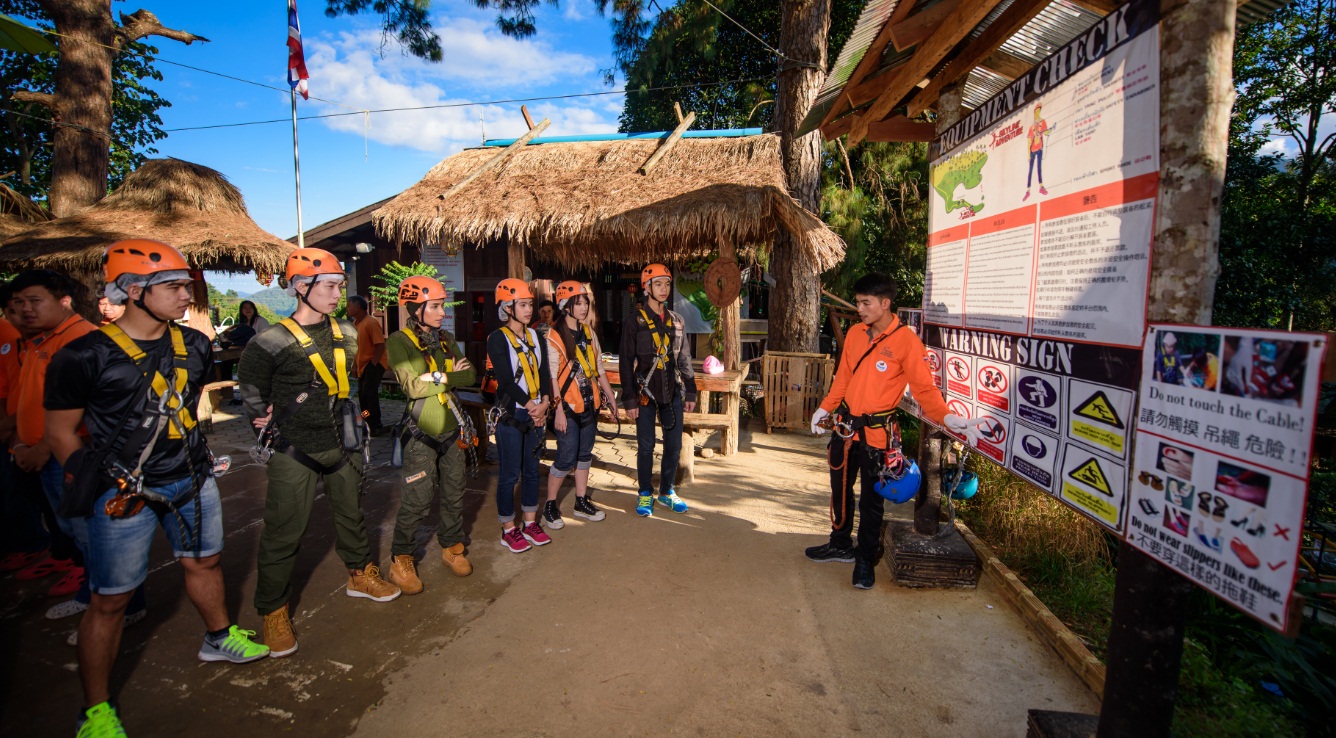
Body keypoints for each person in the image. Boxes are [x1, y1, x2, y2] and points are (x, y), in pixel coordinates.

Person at [46, 240, 269, 737]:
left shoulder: (194, 344)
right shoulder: (84, 355)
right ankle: (96, 709)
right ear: (131, 291)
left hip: (191, 478)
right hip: (122, 491)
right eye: (171, 287)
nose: (185, 295)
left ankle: (216, 637)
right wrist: (103, 481)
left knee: (205, 562)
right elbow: (60, 433)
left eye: (185, 286)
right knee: (111, 599)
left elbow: (185, 411)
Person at [238, 247, 399, 659]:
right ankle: (273, 610)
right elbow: (251, 391)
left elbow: (350, 384)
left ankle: (360, 575)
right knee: (283, 532)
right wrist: (261, 417)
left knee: (353, 516)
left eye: (341, 286)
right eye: (329, 286)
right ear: (299, 286)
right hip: (294, 451)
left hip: (343, 445)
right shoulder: (269, 342)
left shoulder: (346, 332)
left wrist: (360, 420)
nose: (337, 294)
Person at [807, 273, 985, 590]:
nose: (859, 308)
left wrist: (948, 418)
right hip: (845, 430)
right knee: (840, 490)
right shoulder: (855, 334)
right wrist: (825, 408)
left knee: (872, 503)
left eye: (866, 303)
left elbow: (925, 391)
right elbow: (843, 377)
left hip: (877, 437)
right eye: (859, 302)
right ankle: (839, 543)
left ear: (885, 303)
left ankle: (864, 561)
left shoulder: (907, 343)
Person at [384, 276, 477, 593]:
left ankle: (452, 547)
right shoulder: (399, 341)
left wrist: (437, 375)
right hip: (421, 431)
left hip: (452, 429)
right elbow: (412, 386)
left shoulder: (446, 338)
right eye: (436, 306)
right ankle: (401, 558)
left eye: (442, 306)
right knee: (417, 500)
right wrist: (451, 375)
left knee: (454, 492)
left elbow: (471, 374)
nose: (442, 313)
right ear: (416, 307)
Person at [619, 264, 695, 517]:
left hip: (672, 390)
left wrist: (691, 391)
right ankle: (644, 493)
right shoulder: (634, 322)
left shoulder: (677, 321)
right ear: (647, 288)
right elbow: (626, 361)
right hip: (644, 393)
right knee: (646, 446)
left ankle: (666, 491)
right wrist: (628, 399)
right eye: (658, 284)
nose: (664, 289)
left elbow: (684, 358)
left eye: (667, 284)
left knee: (674, 446)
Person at [543, 281, 616, 528]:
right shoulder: (554, 336)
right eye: (578, 303)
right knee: (565, 457)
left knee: (584, 455)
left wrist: (611, 397)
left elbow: (600, 370)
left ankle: (580, 500)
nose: (583, 307)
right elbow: (552, 377)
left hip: (589, 404)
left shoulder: (589, 333)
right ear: (565, 305)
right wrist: (559, 411)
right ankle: (550, 504)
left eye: (586, 302)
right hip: (568, 407)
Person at [487, 278, 552, 553]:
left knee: (532, 472)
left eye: (530, 304)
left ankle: (529, 522)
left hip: (537, 413)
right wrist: (532, 406)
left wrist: (546, 402)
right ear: (507, 307)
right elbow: (505, 380)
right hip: (513, 415)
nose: (529, 310)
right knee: (510, 474)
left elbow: (545, 372)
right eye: (523, 305)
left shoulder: (536, 336)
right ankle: (508, 528)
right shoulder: (497, 338)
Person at [347, 295, 388, 435]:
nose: (347, 308)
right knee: (362, 396)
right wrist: (354, 366)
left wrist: (374, 363)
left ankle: (376, 425)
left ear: (358, 307)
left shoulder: (371, 322)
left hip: (373, 363)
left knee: (370, 394)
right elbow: (356, 349)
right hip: (362, 364)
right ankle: (366, 421)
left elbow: (380, 344)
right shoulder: (355, 325)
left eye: (349, 305)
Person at [1023, 103, 1053, 201]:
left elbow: (1045, 132)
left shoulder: (1043, 122)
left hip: (1039, 149)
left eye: (1039, 111)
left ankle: (1041, 187)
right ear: (1034, 113)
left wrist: (1050, 130)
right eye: (1036, 111)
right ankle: (1028, 190)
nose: (1037, 113)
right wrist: (1028, 155)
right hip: (1032, 151)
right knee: (1030, 171)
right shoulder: (1031, 127)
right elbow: (1028, 142)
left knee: (1039, 168)